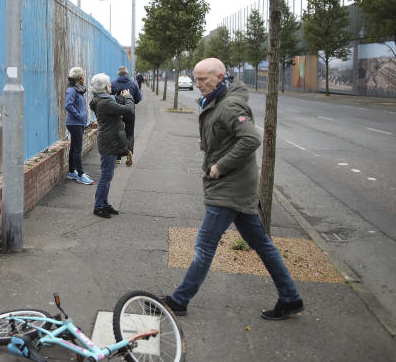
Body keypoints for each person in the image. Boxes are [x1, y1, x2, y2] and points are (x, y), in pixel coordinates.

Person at [162, 57, 304, 321]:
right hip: (235, 187)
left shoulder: (230, 105)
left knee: (204, 245)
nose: (198, 84)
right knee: (261, 243)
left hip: (229, 188)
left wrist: (220, 166)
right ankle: (290, 297)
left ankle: (179, 300)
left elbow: (251, 138)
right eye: (196, 79)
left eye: (203, 79)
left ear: (220, 76)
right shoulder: (218, 100)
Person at [88, 73, 135, 218]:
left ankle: (104, 203)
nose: (111, 85)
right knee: (105, 176)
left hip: (110, 141)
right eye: (109, 83)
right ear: (104, 86)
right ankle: (98, 206)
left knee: (108, 175)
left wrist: (121, 97)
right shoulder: (105, 103)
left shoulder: (103, 100)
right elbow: (128, 110)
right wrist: (128, 97)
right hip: (109, 142)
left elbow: (116, 103)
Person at [64, 66, 93, 185]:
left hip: (77, 123)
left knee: (74, 148)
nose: (84, 77)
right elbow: (68, 105)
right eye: (83, 76)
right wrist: (79, 116)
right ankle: (80, 174)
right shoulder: (72, 90)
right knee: (77, 149)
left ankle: (72, 171)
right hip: (75, 123)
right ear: (80, 77)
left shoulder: (77, 89)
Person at [111, 65, 140, 162]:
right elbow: (139, 98)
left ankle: (118, 157)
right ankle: (129, 153)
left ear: (118, 74)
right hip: (129, 112)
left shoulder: (113, 84)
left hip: (117, 111)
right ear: (127, 73)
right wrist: (131, 101)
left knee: (118, 133)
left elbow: (109, 96)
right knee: (130, 134)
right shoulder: (133, 84)